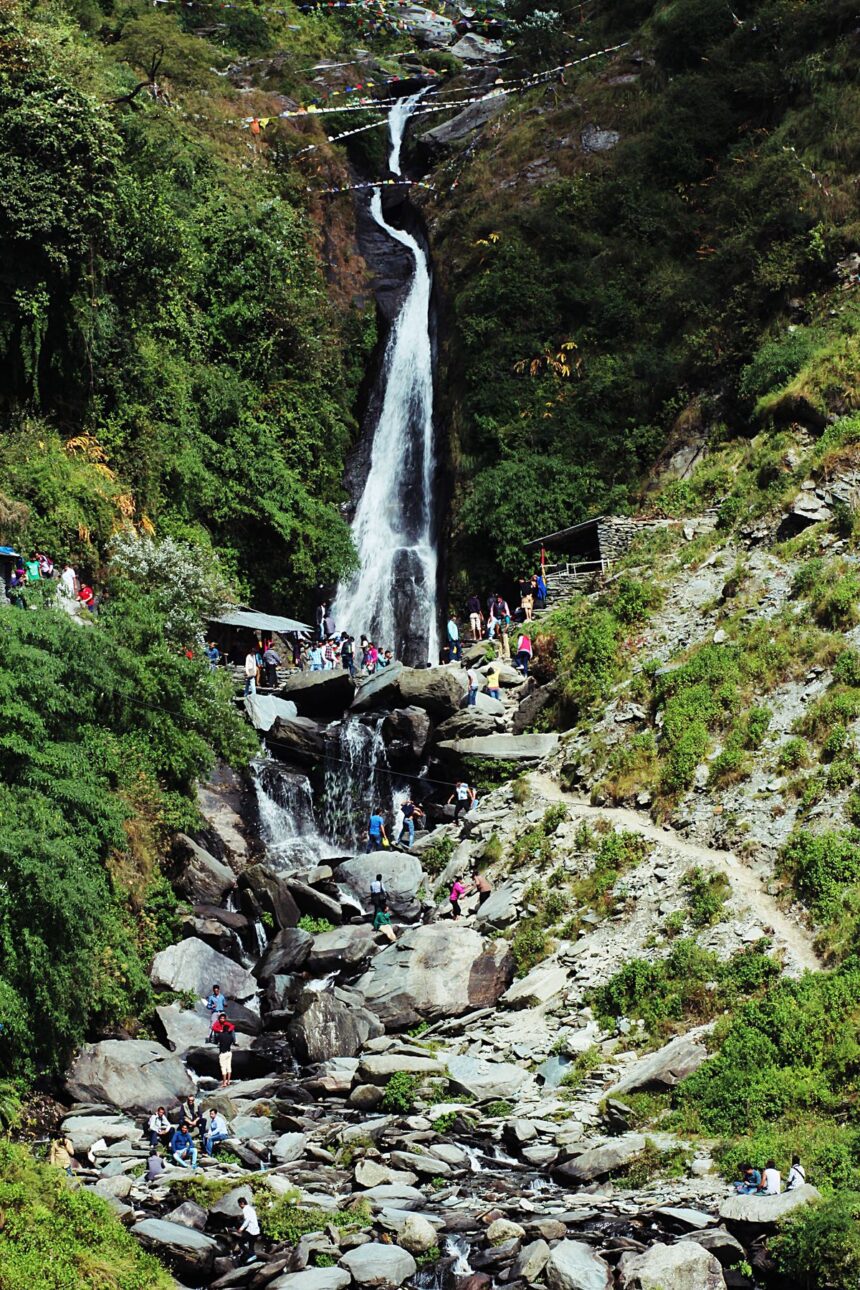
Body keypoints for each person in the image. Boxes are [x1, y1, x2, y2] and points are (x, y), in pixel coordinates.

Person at [213, 1014, 236, 1087]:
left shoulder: (221, 1035)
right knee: (229, 1067)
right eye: (221, 1018)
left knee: (223, 1068)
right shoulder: (230, 1037)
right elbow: (214, 1027)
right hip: (229, 1052)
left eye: (223, 1018)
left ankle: (224, 1083)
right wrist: (220, 1030)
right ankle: (228, 1081)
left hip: (223, 1053)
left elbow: (232, 1026)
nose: (222, 1019)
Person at [236, 1196, 260, 1264]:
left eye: (239, 1204)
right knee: (251, 1245)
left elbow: (247, 1220)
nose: (239, 1206)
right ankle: (252, 1260)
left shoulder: (245, 1209)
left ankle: (252, 1255)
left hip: (251, 1230)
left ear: (242, 1203)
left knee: (241, 1243)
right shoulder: (251, 1209)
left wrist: (241, 1228)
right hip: (256, 1230)